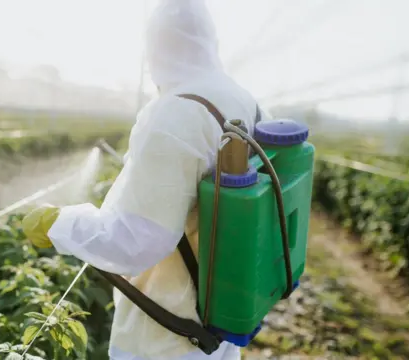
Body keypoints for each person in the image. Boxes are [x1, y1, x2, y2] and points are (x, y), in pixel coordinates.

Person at [22, 0, 267, 359]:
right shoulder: (244, 100)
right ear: (210, 42)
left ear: (154, 46)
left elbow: (135, 242)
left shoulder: (176, 113)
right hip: (219, 321)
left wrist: (59, 223)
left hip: (166, 338)